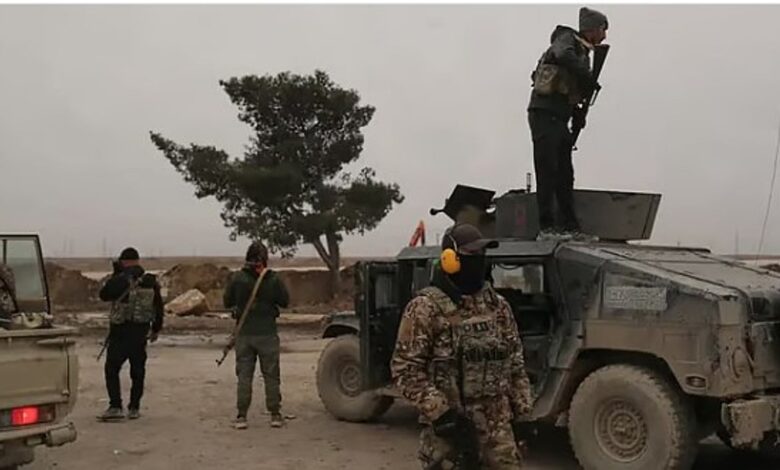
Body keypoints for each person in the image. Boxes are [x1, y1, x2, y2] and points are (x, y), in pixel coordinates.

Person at [391, 223, 533, 469]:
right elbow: (406, 370)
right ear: (450, 259)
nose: (479, 260)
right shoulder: (425, 308)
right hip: (450, 433)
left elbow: (516, 365)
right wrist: (442, 414)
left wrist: (523, 415)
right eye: (471, 254)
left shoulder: (498, 306)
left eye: (482, 254)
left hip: (498, 433)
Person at [527, 6, 609, 241]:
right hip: (544, 113)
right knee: (547, 170)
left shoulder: (582, 52)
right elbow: (562, 55)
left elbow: (570, 90)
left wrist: (578, 114)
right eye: (602, 29)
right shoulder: (566, 39)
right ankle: (546, 228)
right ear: (592, 29)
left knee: (565, 175)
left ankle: (570, 227)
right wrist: (587, 76)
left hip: (560, 117)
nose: (604, 36)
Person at [223, 241, 290, 430]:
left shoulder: (237, 278)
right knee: (271, 375)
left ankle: (241, 416)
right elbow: (285, 301)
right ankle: (275, 414)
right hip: (267, 333)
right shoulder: (273, 279)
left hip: (245, 333)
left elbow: (227, 301)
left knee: (244, 375)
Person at [97, 247, 164, 421]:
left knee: (112, 369)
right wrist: (156, 329)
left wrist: (115, 274)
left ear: (124, 261)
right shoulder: (150, 281)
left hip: (120, 332)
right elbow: (158, 306)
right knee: (138, 371)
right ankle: (134, 407)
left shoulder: (120, 280)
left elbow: (104, 295)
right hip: (140, 333)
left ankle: (115, 406)